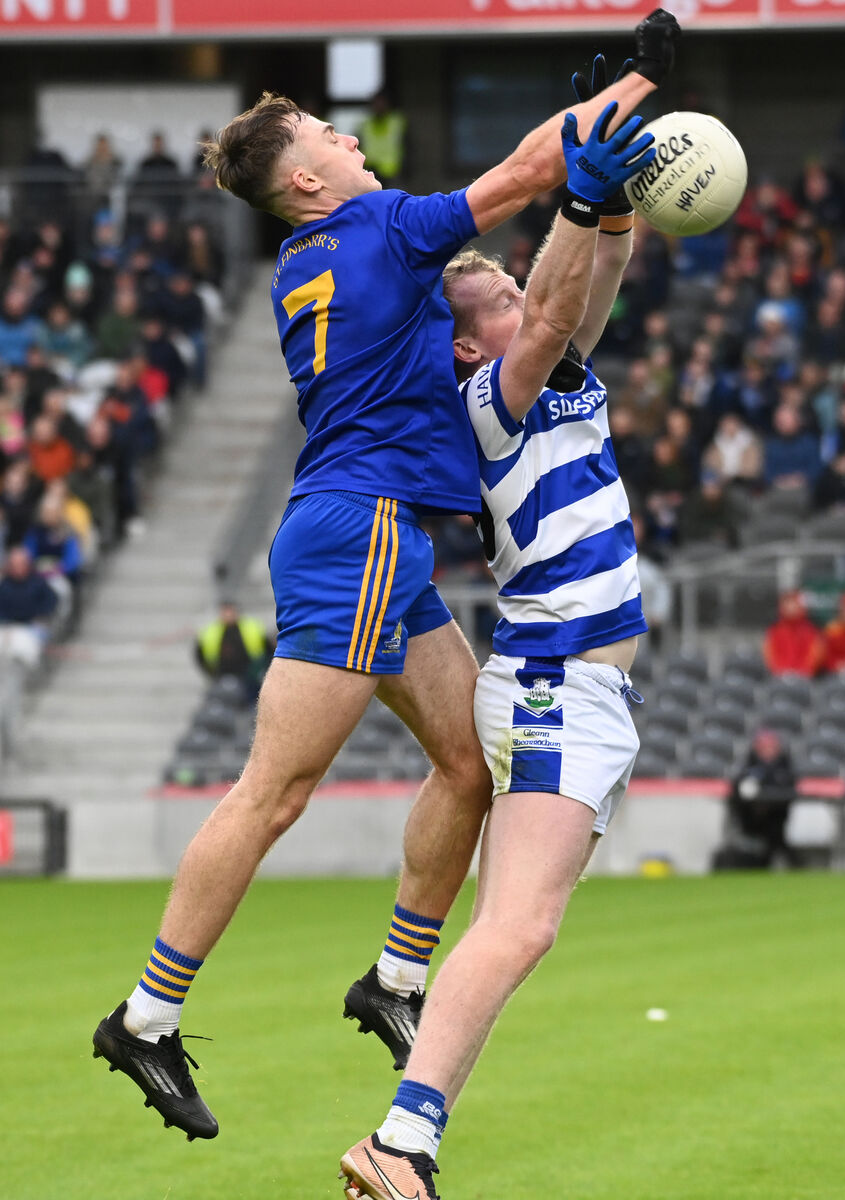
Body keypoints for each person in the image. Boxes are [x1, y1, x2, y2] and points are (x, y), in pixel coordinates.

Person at [91, 9, 680, 1152]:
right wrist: (640, 85)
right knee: (275, 792)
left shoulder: (312, 259)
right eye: (330, 132)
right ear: (307, 180)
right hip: (358, 530)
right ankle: (148, 1014)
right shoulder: (376, 228)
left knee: (468, 759)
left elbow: (543, 255)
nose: (352, 138)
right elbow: (529, 173)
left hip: (375, 533)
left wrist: (600, 164)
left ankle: (396, 979)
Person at [340, 56, 659, 1200]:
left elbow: (590, 281)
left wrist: (612, 190)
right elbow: (560, 304)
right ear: (472, 347)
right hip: (554, 684)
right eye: (506, 304)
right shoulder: (490, 401)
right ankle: (400, 1143)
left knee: (515, 929)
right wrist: (577, 196)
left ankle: (406, 1140)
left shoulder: (551, 377)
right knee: (517, 930)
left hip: (570, 687)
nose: (531, 305)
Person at [713, 728, 798, 870]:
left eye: (771, 746)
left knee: (776, 839)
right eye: (764, 746)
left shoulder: (784, 765)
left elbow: (791, 784)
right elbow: (738, 785)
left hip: (777, 817)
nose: (768, 750)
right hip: (752, 819)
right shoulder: (749, 764)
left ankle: (786, 863)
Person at [194, 599, 275, 702]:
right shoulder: (210, 631)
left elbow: (269, 650)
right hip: (221, 675)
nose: (228, 615)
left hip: (248, 676)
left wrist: (259, 670)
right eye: (225, 611)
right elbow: (200, 655)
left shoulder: (252, 628)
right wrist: (211, 672)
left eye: (230, 611)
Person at [763, 589, 823, 678]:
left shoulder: (811, 629)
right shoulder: (774, 629)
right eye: (788, 604)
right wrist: (779, 671)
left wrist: (804, 671)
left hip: (804, 677)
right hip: (779, 676)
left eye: (794, 604)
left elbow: (816, 654)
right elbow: (769, 654)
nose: (791, 607)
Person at [356, 90, 408, 189]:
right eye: (376, 103)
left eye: (382, 102)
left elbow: (408, 147)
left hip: (393, 172)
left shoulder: (398, 122)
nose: (379, 106)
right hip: (370, 171)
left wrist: (406, 170)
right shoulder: (365, 125)